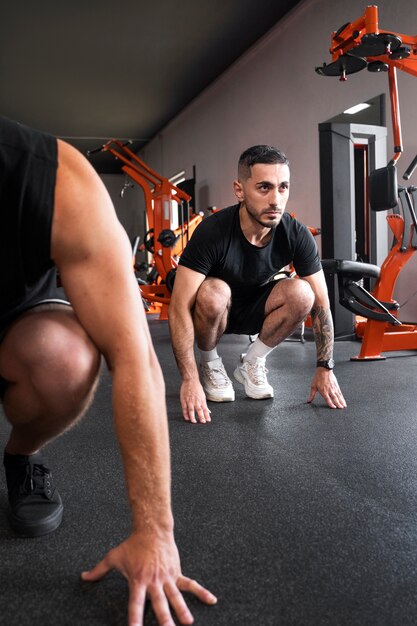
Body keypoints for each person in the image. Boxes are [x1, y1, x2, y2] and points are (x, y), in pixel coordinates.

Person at [0, 116, 217, 625]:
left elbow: (135, 356)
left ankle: (22, 456)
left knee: (67, 359)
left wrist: (154, 534)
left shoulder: (54, 180)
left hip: (18, 319)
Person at [168, 144, 347, 424]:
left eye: (283, 187)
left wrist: (325, 367)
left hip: (258, 308)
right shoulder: (213, 231)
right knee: (215, 291)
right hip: (215, 309)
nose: (276, 200)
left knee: (303, 292)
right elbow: (179, 306)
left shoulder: (296, 234)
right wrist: (189, 379)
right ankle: (210, 363)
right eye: (264, 188)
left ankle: (252, 361)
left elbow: (321, 303)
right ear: (239, 190)